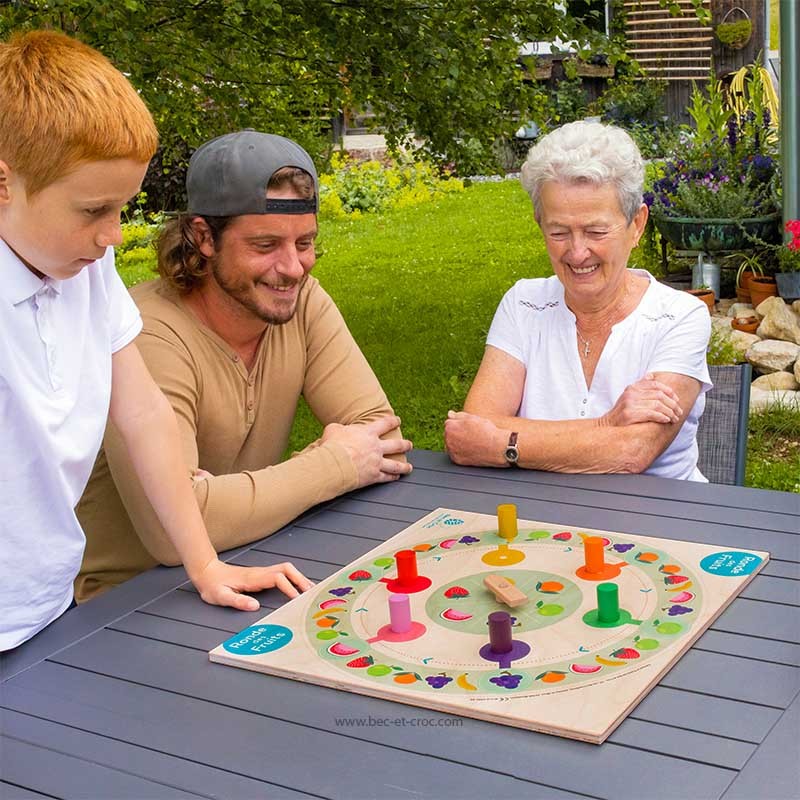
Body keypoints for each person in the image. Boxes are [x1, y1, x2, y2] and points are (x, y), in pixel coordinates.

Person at [0, 31, 312, 651]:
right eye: (93, 211)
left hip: (46, 603)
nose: (113, 235)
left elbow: (144, 416)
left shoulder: (89, 272)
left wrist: (204, 564)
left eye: (123, 208)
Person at [75, 129, 412, 602]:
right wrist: (331, 466)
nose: (293, 268)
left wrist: (235, 500)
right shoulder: (146, 331)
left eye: (305, 242)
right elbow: (172, 534)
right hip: (130, 604)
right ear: (203, 237)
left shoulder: (302, 300)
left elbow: (385, 445)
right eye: (265, 245)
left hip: (258, 562)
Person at [444, 120, 711, 480]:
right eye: (558, 232)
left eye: (596, 231)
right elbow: (471, 432)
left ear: (637, 225)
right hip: (540, 522)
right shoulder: (523, 304)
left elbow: (633, 451)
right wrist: (608, 425)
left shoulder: (680, 316)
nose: (577, 252)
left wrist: (503, 444)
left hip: (660, 523)